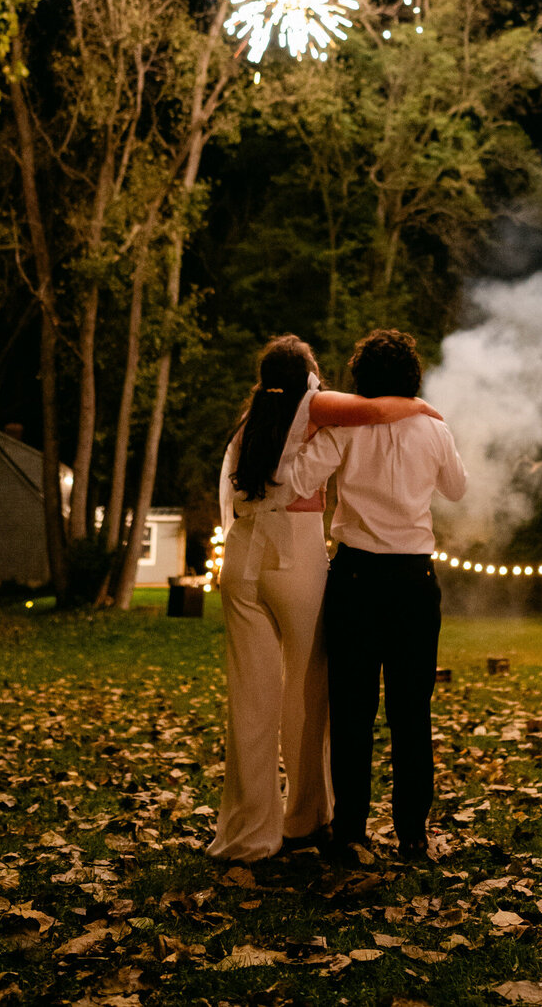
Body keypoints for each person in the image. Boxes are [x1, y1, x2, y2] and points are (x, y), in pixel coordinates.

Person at [209, 333, 441, 864]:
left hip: (241, 556)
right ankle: (306, 817)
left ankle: (248, 833)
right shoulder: (311, 405)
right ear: (306, 375)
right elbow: (378, 407)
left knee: (249, 699)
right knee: (311, 695)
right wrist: (421, 405)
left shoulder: (252, 422)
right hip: (293, 555)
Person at [284, 327, 467, 863]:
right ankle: (413, 834)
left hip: (357, 579)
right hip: (413, 581)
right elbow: (457, 488)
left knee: (353, 711)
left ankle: (350, 832)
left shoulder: (348, 427)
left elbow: (300, 479)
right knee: (412, 712)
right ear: (412, 377)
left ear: (362, 379)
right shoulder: (434, 429)